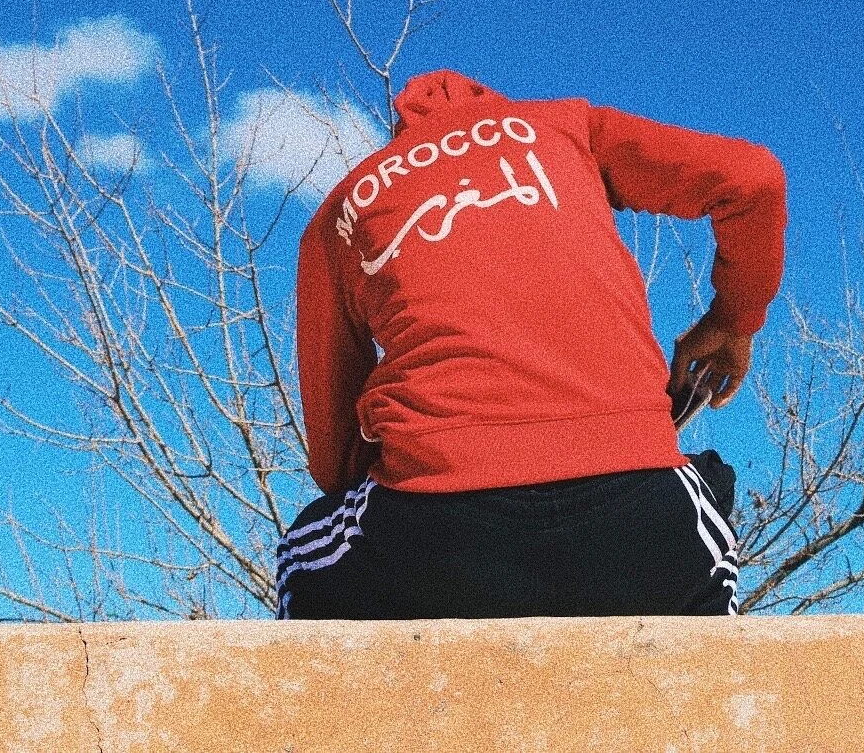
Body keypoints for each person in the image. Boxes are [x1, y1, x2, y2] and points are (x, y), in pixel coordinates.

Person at [277, 70, 787, 619]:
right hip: (641, 527)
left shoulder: (342, 211)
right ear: (494, 105)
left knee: (300, 557)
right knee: (706, 503)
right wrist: (733, 320)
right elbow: (753, 178)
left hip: (434, 538)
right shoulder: (566, 128)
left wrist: (450, 463)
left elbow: (335, 455)